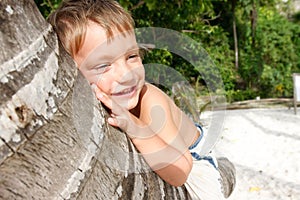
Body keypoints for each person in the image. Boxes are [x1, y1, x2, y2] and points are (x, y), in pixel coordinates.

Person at [48, 1, 230, 199]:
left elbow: (181, 170)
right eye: (103, 66)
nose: (127, 74)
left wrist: (134, 126)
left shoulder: (149, 99)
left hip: (194, 161)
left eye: (132, 56)